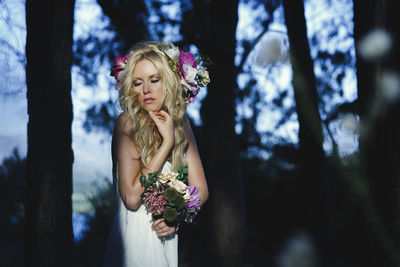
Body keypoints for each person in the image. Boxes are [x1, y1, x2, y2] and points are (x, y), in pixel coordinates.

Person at [102, 41, 209, 267]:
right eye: (138, 83)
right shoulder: (127, 123)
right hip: (134, 239)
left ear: (168, 82)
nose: (146, 90)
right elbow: (131, 198)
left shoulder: (182, 124)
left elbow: (201, 189)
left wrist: (176, 218)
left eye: (154, 80)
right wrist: (166, 144)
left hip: (165, 238)